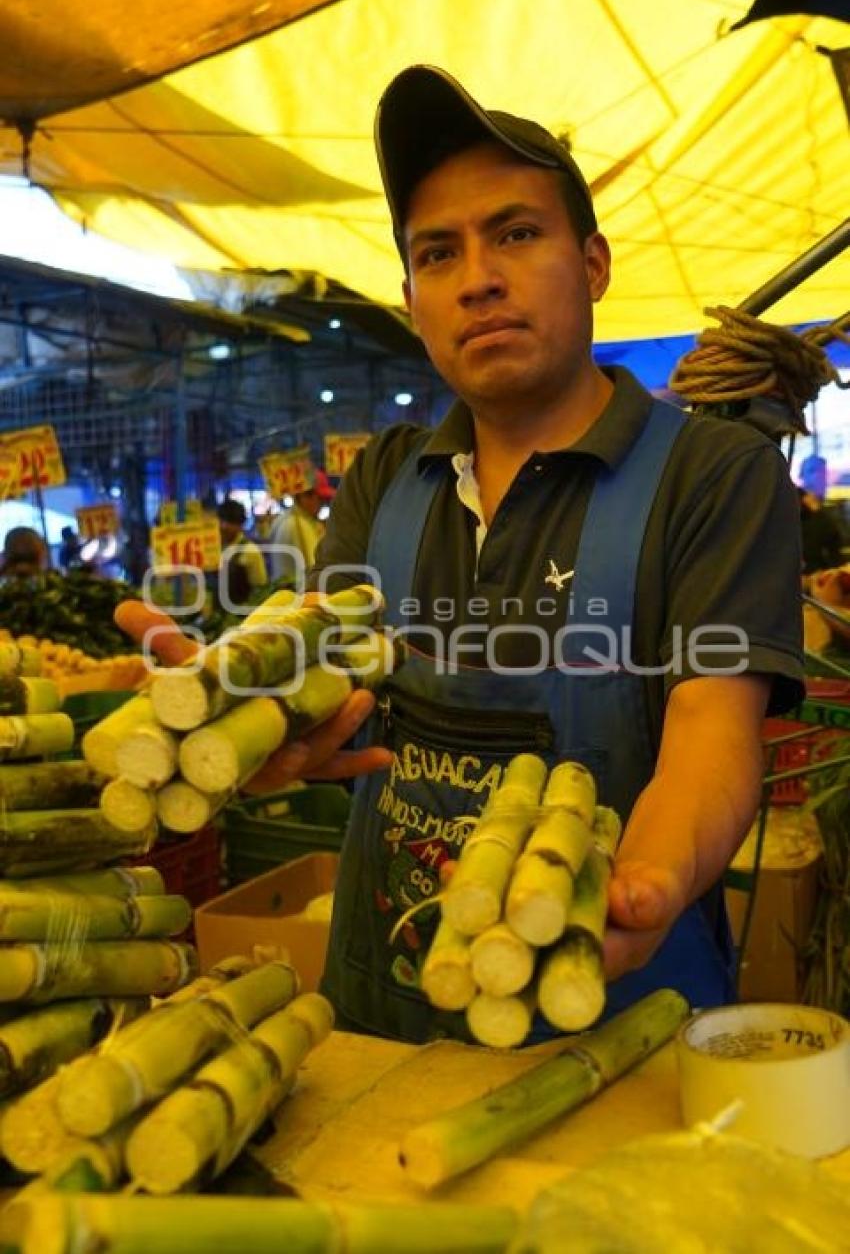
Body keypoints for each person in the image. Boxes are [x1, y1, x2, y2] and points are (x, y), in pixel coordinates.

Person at [120, 67, 804, 1046]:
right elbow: (333, 682)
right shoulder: (387, 475)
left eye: (516, 233)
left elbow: (713, 731)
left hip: (602, 1006)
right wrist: (255, 718)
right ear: (411, 299)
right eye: (438, 253)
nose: (477, 276)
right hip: (381, 1019)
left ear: (593, 262)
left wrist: (643, 876)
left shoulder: (710, 473)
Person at [267, 467, 336, 582]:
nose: (320, 503)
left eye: (322, 499)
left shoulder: (284, 518)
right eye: (317, 497)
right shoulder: (299, 525)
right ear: (301, 497)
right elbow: (316, 568)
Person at [215, 497, 268, 609]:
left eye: (230, 522)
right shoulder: (214, 549)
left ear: (240, 524)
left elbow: (260, 590)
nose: (224, 526)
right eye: (222, 521)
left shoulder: (250, 551)